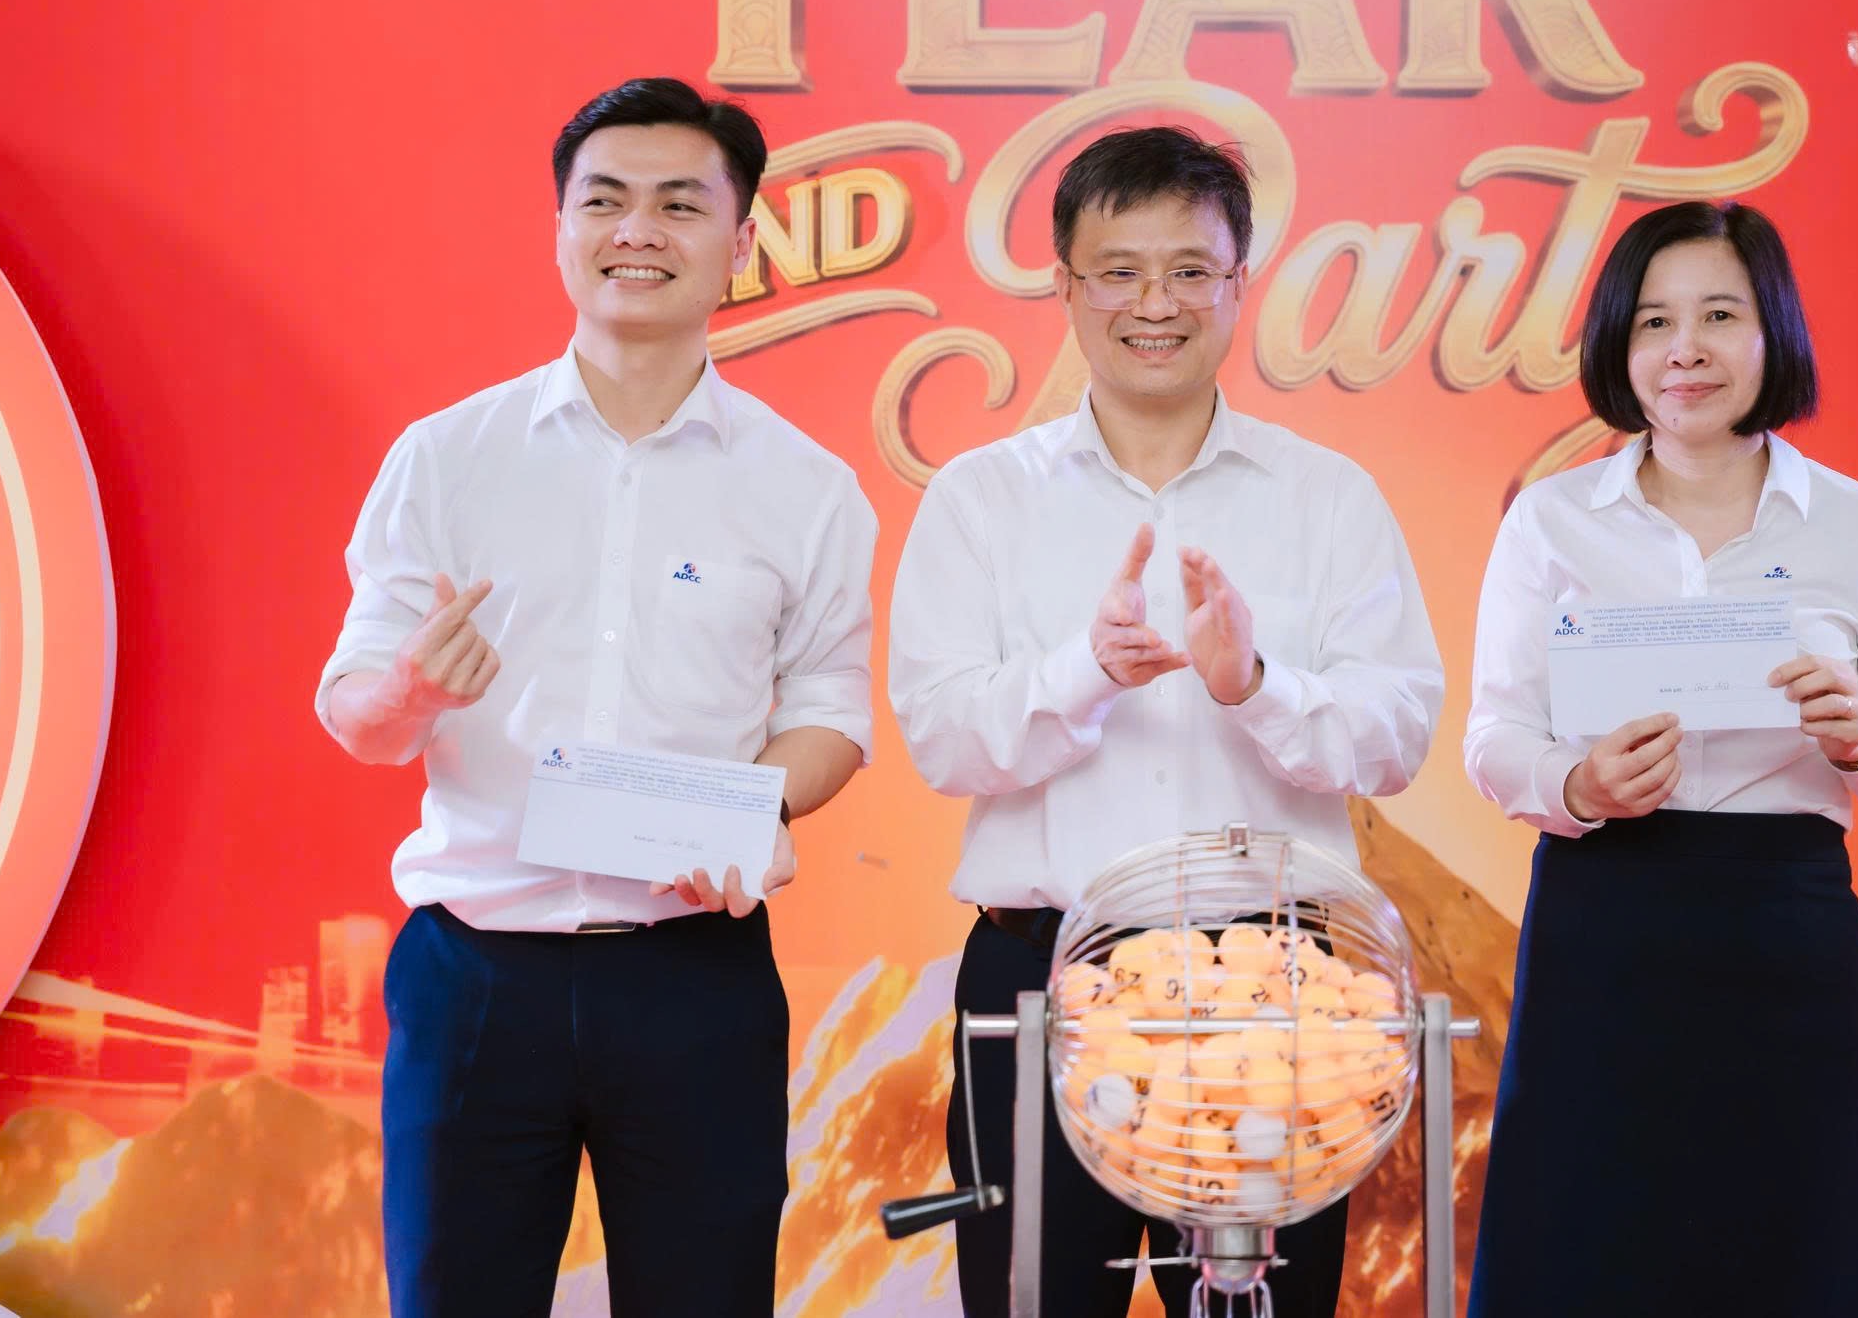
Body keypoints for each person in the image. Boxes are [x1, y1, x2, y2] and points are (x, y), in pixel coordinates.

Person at [314, 78, 877, 1318]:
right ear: (560, 229)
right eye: (605, 201)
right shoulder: (447, 458)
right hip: (476, 975)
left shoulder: (807, 487)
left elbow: (833, 713)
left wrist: (747, 811)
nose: (637, 231)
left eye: (679, 204)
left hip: (695, 974)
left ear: (741, 242)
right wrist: (411, 688)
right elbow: (354, 713)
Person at [890, 125, 1446, 1318]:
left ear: (1240, 284)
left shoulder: (1326, 497)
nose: (1156, 303)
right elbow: (940, 737)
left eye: (1191, 270)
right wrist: (1083, 671)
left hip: (1276, 989)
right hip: (1039, 982)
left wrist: (1255, 686)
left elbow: (1397, 735)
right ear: (1065, 286)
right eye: (1120, 271)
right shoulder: (981, 499)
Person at [1462, 199, 1858, 1316]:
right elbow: (1494, 738)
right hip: (1602, 921)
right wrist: (1577, 784)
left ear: (1773, 330)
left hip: (1785, 931)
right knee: (1586, 1253)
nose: (1684, 349)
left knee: (1793, 1257)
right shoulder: (1550, 522)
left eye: (1719, 315)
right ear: (1617, 344)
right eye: (1653, 322)